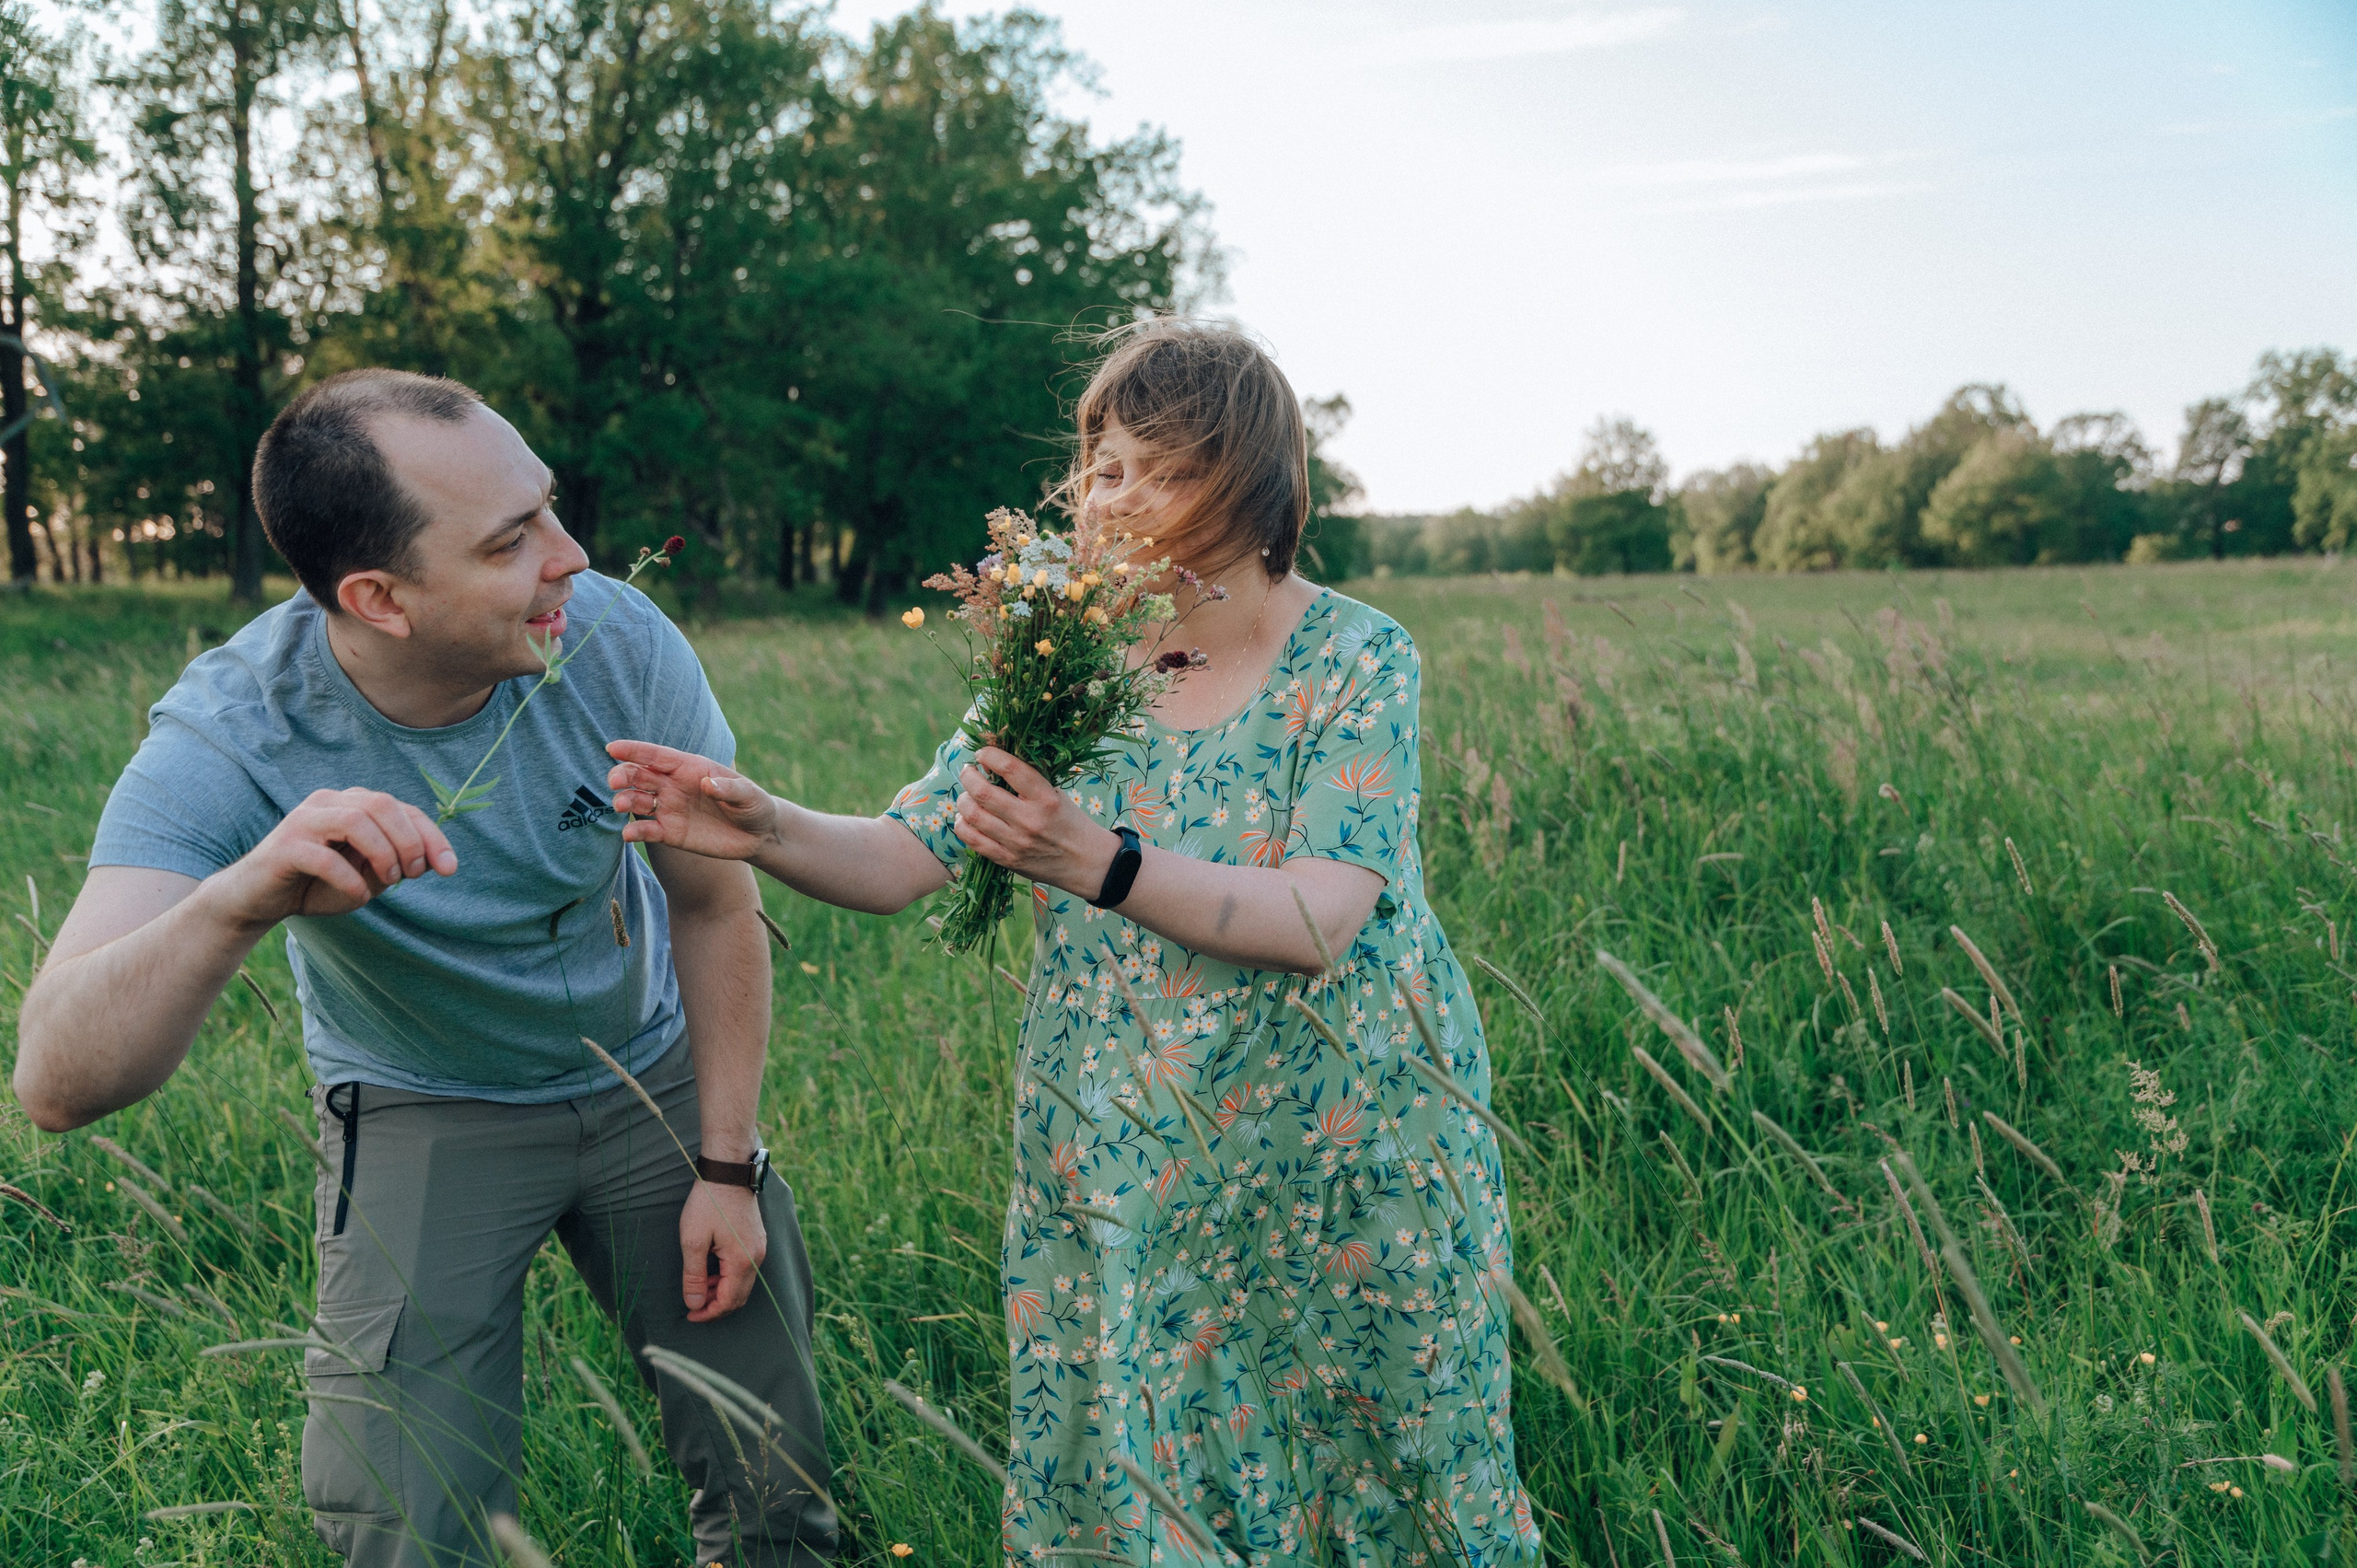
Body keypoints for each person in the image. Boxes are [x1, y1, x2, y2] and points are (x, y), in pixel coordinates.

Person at [606, 321, 1540, 1565]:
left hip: (1343, 1140)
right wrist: (761, 824)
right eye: (1100, 464)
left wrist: (1095, 861)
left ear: (1251, 479)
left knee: (1375, 1440)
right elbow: (901, 858)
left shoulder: (1355, 657)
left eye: (1154, 466)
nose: (1108, 495)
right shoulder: (1065, 658)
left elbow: (1320, 918)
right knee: (1152, 1444)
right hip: (1123, 1144)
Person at [12, 370, 834, 1568]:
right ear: (380, 598)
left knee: (774, 1476)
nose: (574, 555)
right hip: (419, 1100)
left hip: (650, 1073)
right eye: (513, 540)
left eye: (548, 507)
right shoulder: (233, 731)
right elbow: (53, 1079)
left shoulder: (612, 636)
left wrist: (726, 1158)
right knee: (400, 1521)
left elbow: (713, 905)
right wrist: (243, 900)